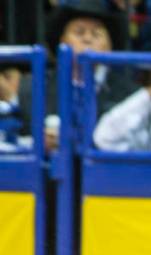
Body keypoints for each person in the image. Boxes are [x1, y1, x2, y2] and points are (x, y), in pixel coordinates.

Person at [13, 0, 136, 152]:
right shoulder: (32, 88)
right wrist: (37, 143)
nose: (87, 39)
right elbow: (14, 141)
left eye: (97, 34)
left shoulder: (130, 96)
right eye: (79, 32)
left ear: (109, 46)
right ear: (62, 41)